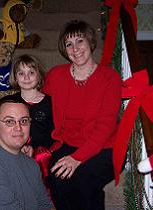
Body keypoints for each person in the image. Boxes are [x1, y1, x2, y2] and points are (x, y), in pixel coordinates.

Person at [42, 19, 122, 210]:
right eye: (69, 44)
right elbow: (41, 109)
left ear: (90, 42)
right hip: (67, 143)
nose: (75, 48)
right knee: (57, 179)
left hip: (105, 147)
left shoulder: (109, 78)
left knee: (85, 181)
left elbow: (106, 127)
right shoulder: (55, 76)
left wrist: (77, 158)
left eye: (80, 41)